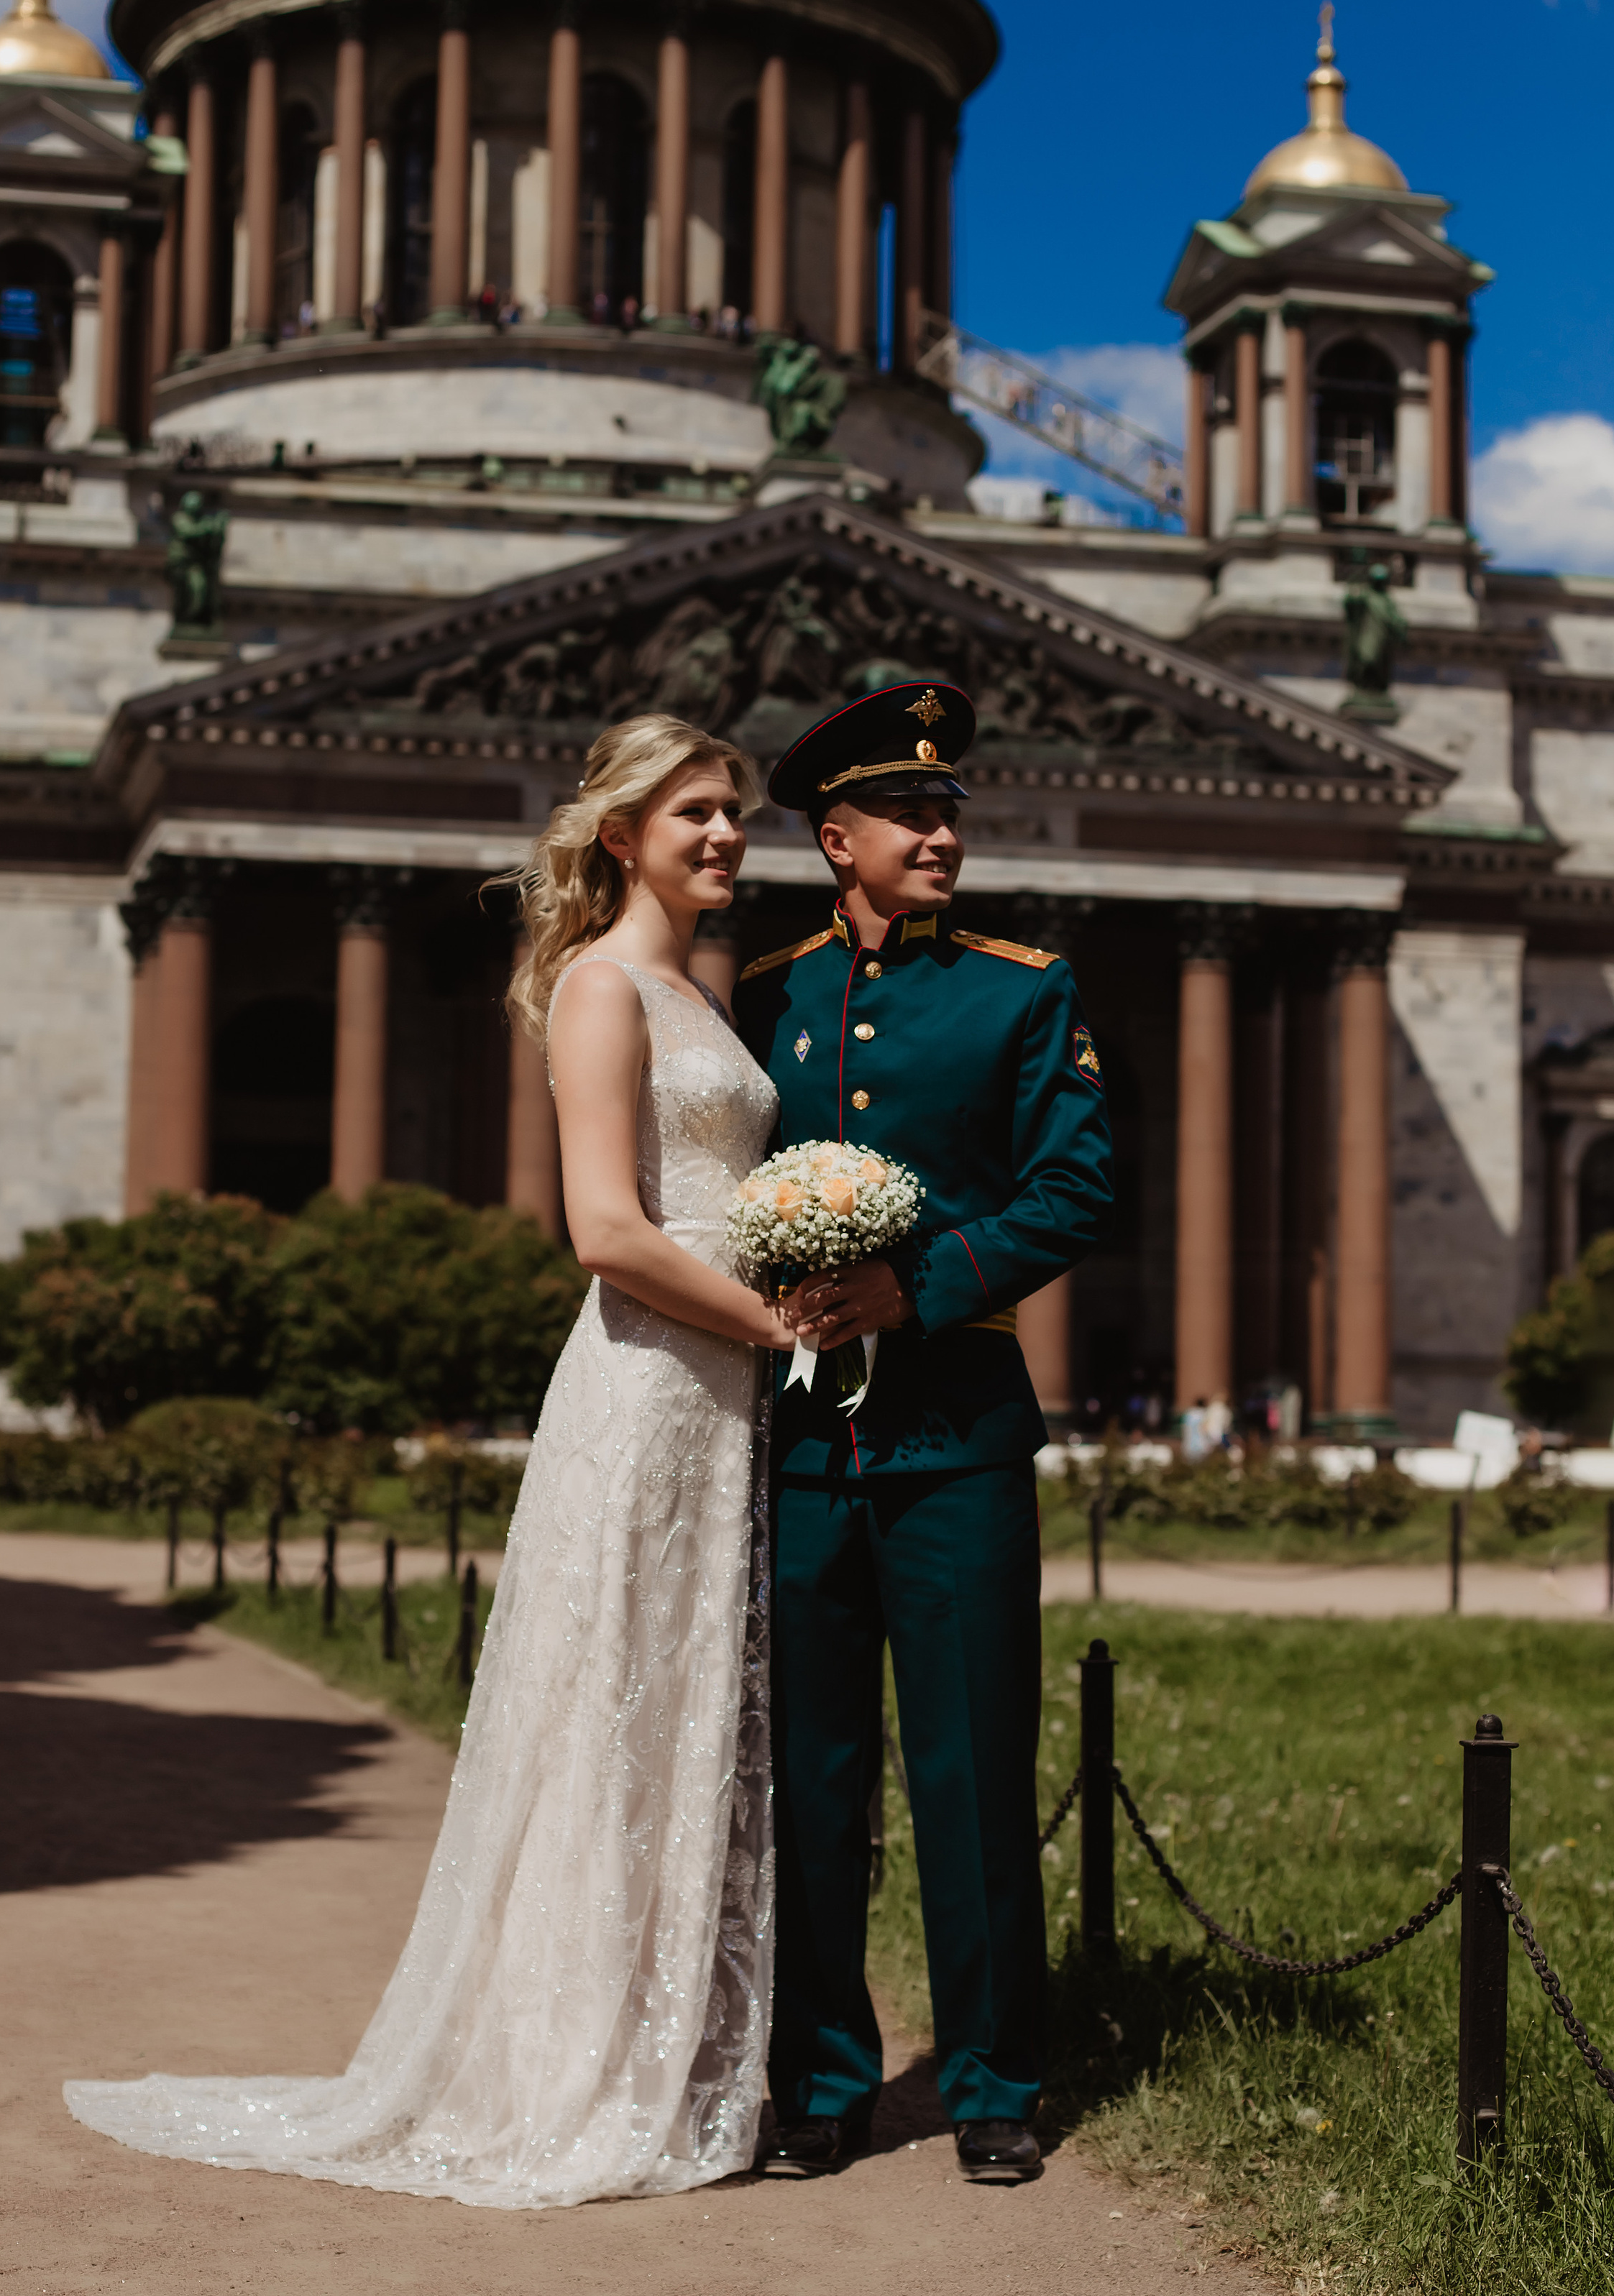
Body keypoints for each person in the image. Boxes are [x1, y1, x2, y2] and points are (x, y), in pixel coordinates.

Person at [65, 715, 791, 2208]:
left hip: (717, 1386)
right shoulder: (601, 988)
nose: (724, 835)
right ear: (619, 832)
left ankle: (666, 2051)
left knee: (676, 1711)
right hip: (656, 1378)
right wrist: (782, 1327)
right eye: (695, 813)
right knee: (609, 1708)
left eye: (734, 812)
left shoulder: (692, 990)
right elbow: (599, 1230)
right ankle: (564, 2071)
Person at [736, 680, 1114, 2183]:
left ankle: (991, 2086)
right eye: (910, 812)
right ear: (836, 837)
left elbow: (1072, 1191)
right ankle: (820, 2083)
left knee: (968, 1775)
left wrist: (917, 1286)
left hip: (954, 1436)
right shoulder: (762, 995)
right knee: (807, 1780)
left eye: (949, 808)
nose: (941, 831)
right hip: (796, 1452)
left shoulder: (1023, 989)